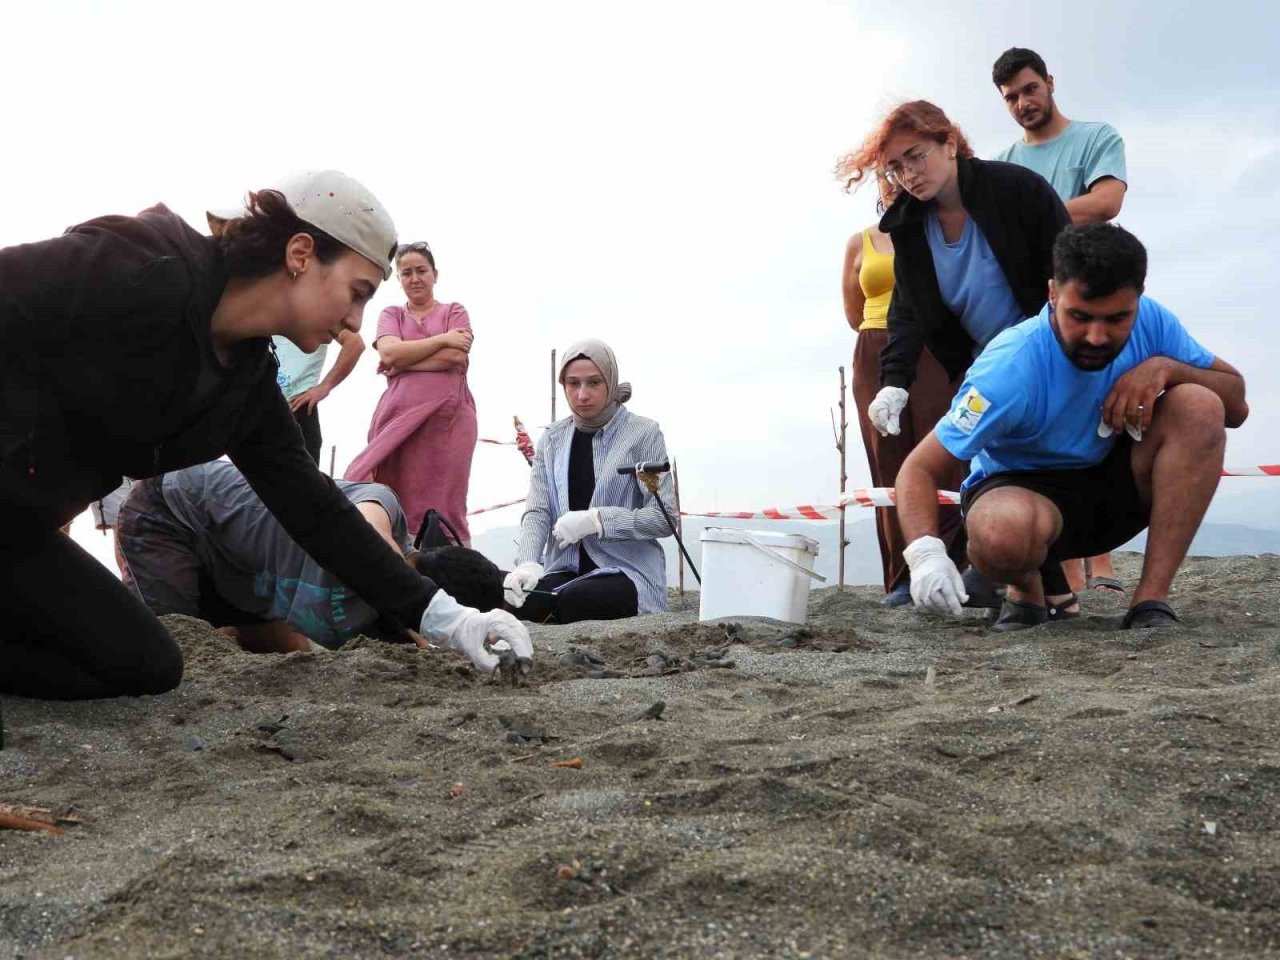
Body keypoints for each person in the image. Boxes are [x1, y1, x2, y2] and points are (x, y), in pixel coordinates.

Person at [0, 169, 530, 701]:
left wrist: (452, 620)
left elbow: (317, 512)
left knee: (146, 666)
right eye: (357, 292)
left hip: (20, 535)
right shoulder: (145, 264)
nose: (355, 321)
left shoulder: (247, 387)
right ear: (301, 253)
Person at [894, 224, 1248, 631]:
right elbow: (919, 468)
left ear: (1137, 301)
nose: (1097, 337)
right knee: (998, 532)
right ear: (1052, 294)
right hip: (1024, 491)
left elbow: (1235, 405)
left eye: (1117, 319)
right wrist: (925, 554)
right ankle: (1029, 592)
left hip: (1117, 485)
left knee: (1199, 404)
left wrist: (1165, 369)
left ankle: (1151, 601)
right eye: (1079, 316)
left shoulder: (1153, 323)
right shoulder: (1009, 367)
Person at [843, 100, 1071, 606]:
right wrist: (895, 381)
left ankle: (1045, 588)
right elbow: (907, 306)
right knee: (990, 463)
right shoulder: (907, 223)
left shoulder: (1016, 189)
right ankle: (1018, 580)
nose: (908, 174)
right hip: (979, 363)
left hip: (1047, 345)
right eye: (896, 167)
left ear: (950, 143)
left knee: (1039, 462)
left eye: (916, 156)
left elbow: (1069, 261)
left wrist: (1072, 343)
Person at [992, 46, 1130, 594]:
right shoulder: (1004, 163)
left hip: (1098, 302)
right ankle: (1067, 565)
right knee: (1053, 426)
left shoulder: (1098, 138)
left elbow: (1107, 201)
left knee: (1106, 417)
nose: (1023, 103)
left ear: (1049, 82)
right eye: (1010, 98)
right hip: (1034, 312)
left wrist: (1035, 214)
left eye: (1029, 89)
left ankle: (1104, 562)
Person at [118, 461, 502, 652]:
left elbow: (293, 637)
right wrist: (427, 617)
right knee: (169, 646)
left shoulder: (375, 625)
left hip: (233, 572)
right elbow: (366, 536)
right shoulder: (383, 509)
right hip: (171, 510)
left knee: (249, 647)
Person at [839, 172, 963, 606]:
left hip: (933, 347)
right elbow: (854, 311)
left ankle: (954, 562)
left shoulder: (942, 230)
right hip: (874, 347)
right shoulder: (861, 241)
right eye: (886, 174)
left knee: (941, 457)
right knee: (886, 465)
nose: (894, 182)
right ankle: (902, 576)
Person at [503, 340, 672, 623]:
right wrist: (528, 564)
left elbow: (663, 519)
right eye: (573, 383)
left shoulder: (643, 433)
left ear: (610, 382)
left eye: (593, 382)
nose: (582, 394)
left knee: (575, 601)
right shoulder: (552, 440)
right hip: (566, 568)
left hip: (626, 570)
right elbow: (538, 511)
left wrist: (599, 520)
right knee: (520, 602)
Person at [344, 241, 477, 545]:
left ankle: (452, 566)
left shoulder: (454, 311)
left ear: (435, 274)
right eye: (407, 273)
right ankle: (392, 559)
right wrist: (443, 340)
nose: (414, 278)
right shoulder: (391, 314)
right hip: (398, 418)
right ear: (399, 279)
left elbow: (456, 358)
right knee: (385, 486)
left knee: (448, 498)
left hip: (450, 421)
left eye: (421, 271)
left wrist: (404, 362)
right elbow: (389, 353)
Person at [273, 329, 365, 466]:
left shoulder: (319, 309)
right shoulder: (263, 310)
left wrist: (325, 386)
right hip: (260, 401)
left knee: (301, 481)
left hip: (298, 405)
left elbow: (355, 343)